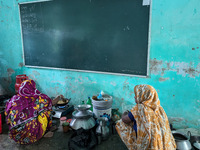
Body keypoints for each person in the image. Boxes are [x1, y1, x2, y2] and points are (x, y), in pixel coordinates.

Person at [115, 84, 176, 150]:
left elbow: (125, 120)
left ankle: (135, 142)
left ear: (144, 95)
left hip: (146, 144)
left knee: (120, 123)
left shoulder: (140, 108)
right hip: (161, 142)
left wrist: (124, 113)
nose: (135, 97)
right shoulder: (159, 108)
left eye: (137, 94)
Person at [5, 79, 63, 144]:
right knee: (46, 111)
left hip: (15, 133)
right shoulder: (37, 99)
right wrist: (58, 97)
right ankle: (42, 131)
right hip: (29, 133)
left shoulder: (14, 99)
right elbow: (51, 102)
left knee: (35, 111)